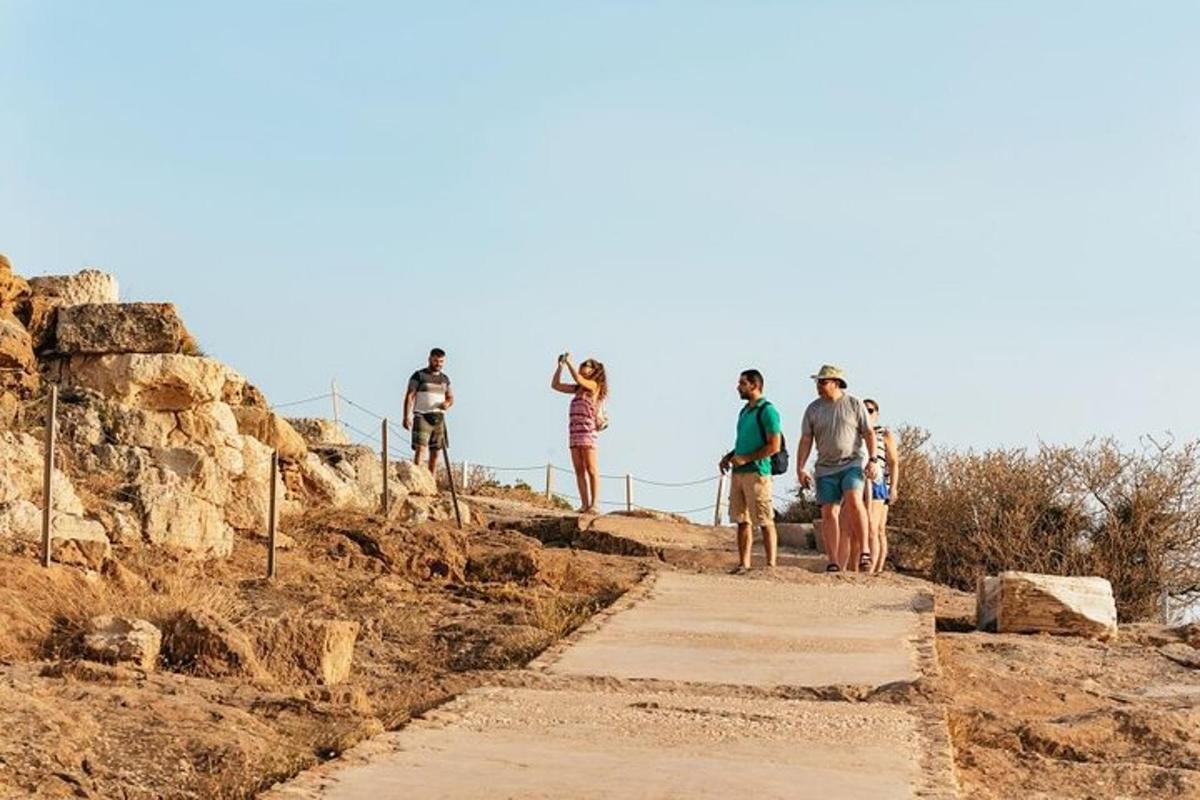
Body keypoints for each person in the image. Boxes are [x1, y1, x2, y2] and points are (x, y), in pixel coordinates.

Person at [795, 365, 878, 573]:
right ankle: (832, 561)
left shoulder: (854, 404)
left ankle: (865, 551)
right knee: (829, 512)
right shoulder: (813, 409)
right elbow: (806, 439)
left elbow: (868, 433)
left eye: (823, 382)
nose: (819, 386)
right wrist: (800, 468)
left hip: (852, 462)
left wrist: (873, 459)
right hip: (825, 467)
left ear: (836, 383)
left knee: (853, 499)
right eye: (818, 382)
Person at [718, 369, 782, 574]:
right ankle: (743, 563)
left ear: (754, 385)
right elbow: (744, 442)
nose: (738, 387)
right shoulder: (745, 411)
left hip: (757, 472)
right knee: (741, 520)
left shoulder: (768, 411)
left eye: (742, 383)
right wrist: (730, 457)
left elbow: (774, 445)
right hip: (739, 472)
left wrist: (747, 458)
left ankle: (771, 564)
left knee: (763, 519)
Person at [551, 352, 608, 513]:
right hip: (574, 431)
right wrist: (560, 367)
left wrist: (569, 363)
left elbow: (578, 379)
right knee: (579, 469)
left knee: (591, 468)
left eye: (587, 365)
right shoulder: (577, 389)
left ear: (594, 370)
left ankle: (594, 504)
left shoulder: (594, 386)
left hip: (587, 431)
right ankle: (584, 504)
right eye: (582, 365)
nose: (583, 367)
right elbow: (555, 385)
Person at [862, 398, 899, 574]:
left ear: (877, 413)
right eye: (864, 410)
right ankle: (871, 566)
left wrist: (893, 487)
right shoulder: (858, 431)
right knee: (871, 527)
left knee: (876, 528)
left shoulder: (883, 433)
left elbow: (893, 462)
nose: (867, 413)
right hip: (860, 481)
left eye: (870, 410)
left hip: (879, 483)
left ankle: (876, 567)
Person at [403, 348, 454, 475]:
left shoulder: (444, 379)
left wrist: (447, 404)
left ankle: (432, 481)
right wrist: (406, 416)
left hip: (438, 417)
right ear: (430, 359)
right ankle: (416, 478)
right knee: (420, 449)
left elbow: (450, 397)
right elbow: (410, 396)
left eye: (441, 361)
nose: (438, 364)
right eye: (436, 361)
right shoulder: (419, 375)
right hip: (422, 415)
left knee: (436, 452)